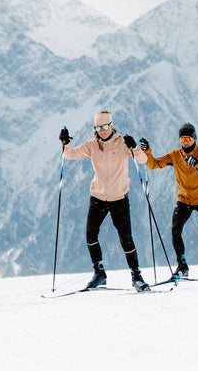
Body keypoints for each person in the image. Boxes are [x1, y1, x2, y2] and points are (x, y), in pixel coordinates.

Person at [60, 111, 150, 291]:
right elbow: (70, 155)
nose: (102, 130)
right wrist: (65, 143)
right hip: (98, 197)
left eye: (105, 126)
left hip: (119, 198)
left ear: (111, 125)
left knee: (126, 239)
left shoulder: (122, 143)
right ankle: (99, 273)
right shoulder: (92, 145)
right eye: (98, 127)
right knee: (90, 236)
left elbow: (142, 159)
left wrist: (135, 148)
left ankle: (136, 276)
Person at [139, 122, 198, 282]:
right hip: (184, 199)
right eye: (182, 139)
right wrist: (147, 151)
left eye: (188, 139)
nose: (185, 142)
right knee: (176, 231)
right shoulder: (176, 155)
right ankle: (182, 266)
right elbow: (154, 164)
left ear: (195, 138)